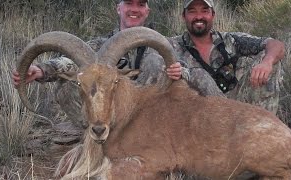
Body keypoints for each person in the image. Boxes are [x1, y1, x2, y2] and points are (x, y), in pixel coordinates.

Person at [12, 0, 181, 129]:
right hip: (108, 117)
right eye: (129, 3)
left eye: (141, 4)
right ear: (118, 8)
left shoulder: (166, 44)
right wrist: (41, 70)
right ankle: (93, 133)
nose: (134, 9)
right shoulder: (100, 46)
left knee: (158, 65)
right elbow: (70, 62)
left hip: (150, 121)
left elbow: (186, 69)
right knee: (67, 85)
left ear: (147, 11)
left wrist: (180, 72)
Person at [167, 0, 285, 114]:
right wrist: (172, 72)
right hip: (197, 115)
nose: (199, 17)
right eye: (192, 11)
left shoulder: (230, 40)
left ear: (213, 15)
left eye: (204, 11)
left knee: (270, 58)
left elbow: (275, 44)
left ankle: (262, 129)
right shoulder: (170, 46)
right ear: (183, 16)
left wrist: (267, 63)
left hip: (236, 109)